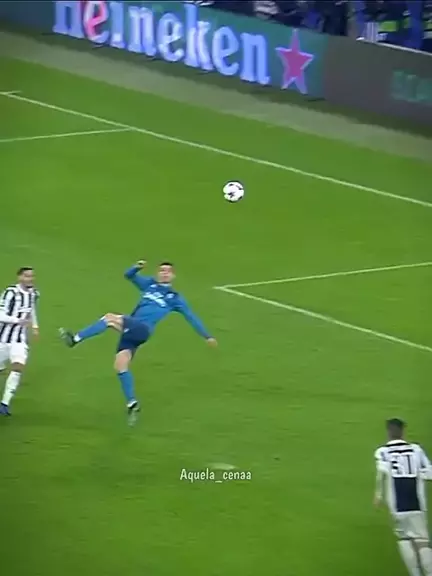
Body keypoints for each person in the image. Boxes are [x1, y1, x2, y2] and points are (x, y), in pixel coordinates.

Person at [60, 261, 217, 424]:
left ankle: (75, 339)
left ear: (173, 276)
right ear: (157, 273)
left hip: (142, 329)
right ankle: (132, 403)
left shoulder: (175, 298)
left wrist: (207, 336)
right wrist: (137, 267)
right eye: (161, 270)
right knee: (120, 365)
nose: (164, 273)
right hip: (132, 329)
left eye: (168, 271)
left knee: (109, 318)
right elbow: (128, 275)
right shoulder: (149, 285)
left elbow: (191, 317)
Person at [374, 418, 432, 575]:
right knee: (422, 542)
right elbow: (429, 473)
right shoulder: (416, 450)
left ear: (388, 432)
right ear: (403, 432)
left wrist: (378, 495)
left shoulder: (383, 451)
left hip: (397, 507)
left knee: (404, 539)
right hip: (417, 505)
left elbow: (381, 474)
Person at [0, 267, 39, 415]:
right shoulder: (10, 293)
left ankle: (4, 404)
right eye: (27, 276)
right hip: (2, 339)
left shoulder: (33, 293)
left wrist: (35, 327)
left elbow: (31, 309)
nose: (30, 279)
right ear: (20, 277)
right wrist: (18, 320)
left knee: (18, 367)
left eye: (32, 276)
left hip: (19, 340)